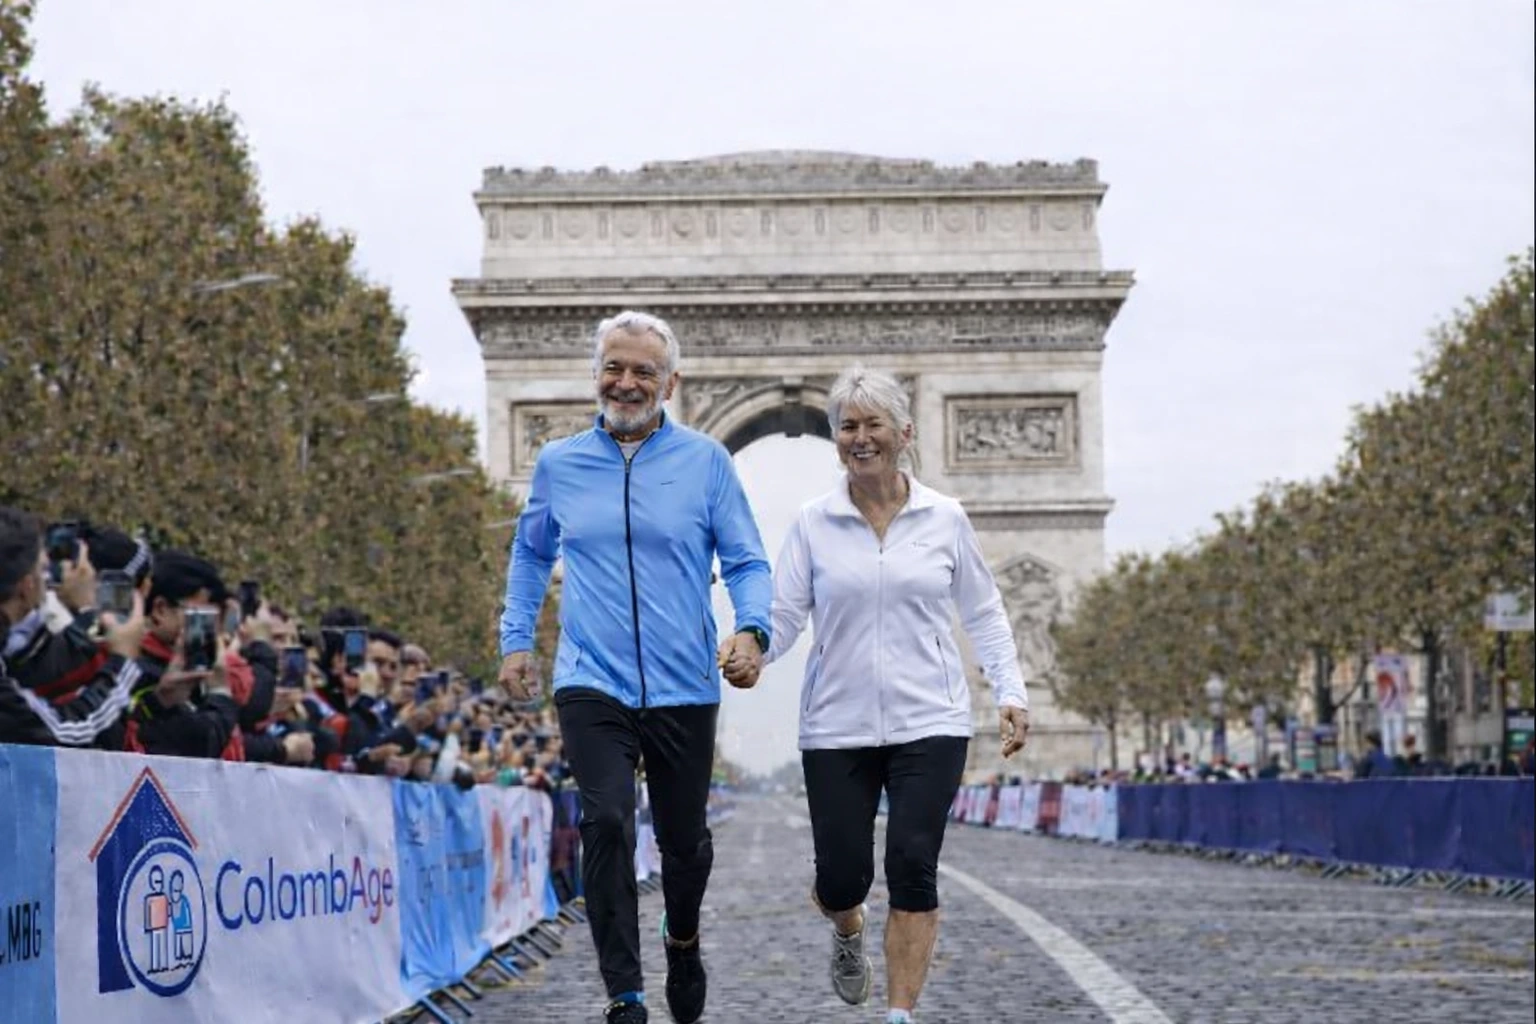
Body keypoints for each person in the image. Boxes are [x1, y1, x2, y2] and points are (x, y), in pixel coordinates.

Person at [497, 310, 772, 1024]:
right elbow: (530, 553)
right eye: (614, 368)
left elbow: (745, 560)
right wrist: (516, 638)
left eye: (642, 371)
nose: (626, 383)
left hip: (684, 681)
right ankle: (625, 994)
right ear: (596, 376)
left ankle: (682, 937)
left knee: (686, 847)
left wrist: (753, 629)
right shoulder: (559, 462)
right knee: (609, 820)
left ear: (670, 383)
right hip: (592, 679)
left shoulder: (708, 462)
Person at [746, 365, 1029, 1024]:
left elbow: (984, 612)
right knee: (842, 881)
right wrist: (754, 647)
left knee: (912, 864)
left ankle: (899, 1014)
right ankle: (848, 930)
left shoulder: (947, 519)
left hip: (930, 719)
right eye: (848, 426)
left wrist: (1011, 691)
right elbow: (785, 616)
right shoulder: (813, 524)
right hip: (836, 726)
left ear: (904, 432)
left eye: (874, 424)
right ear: (834, 436)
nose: (860, 437)